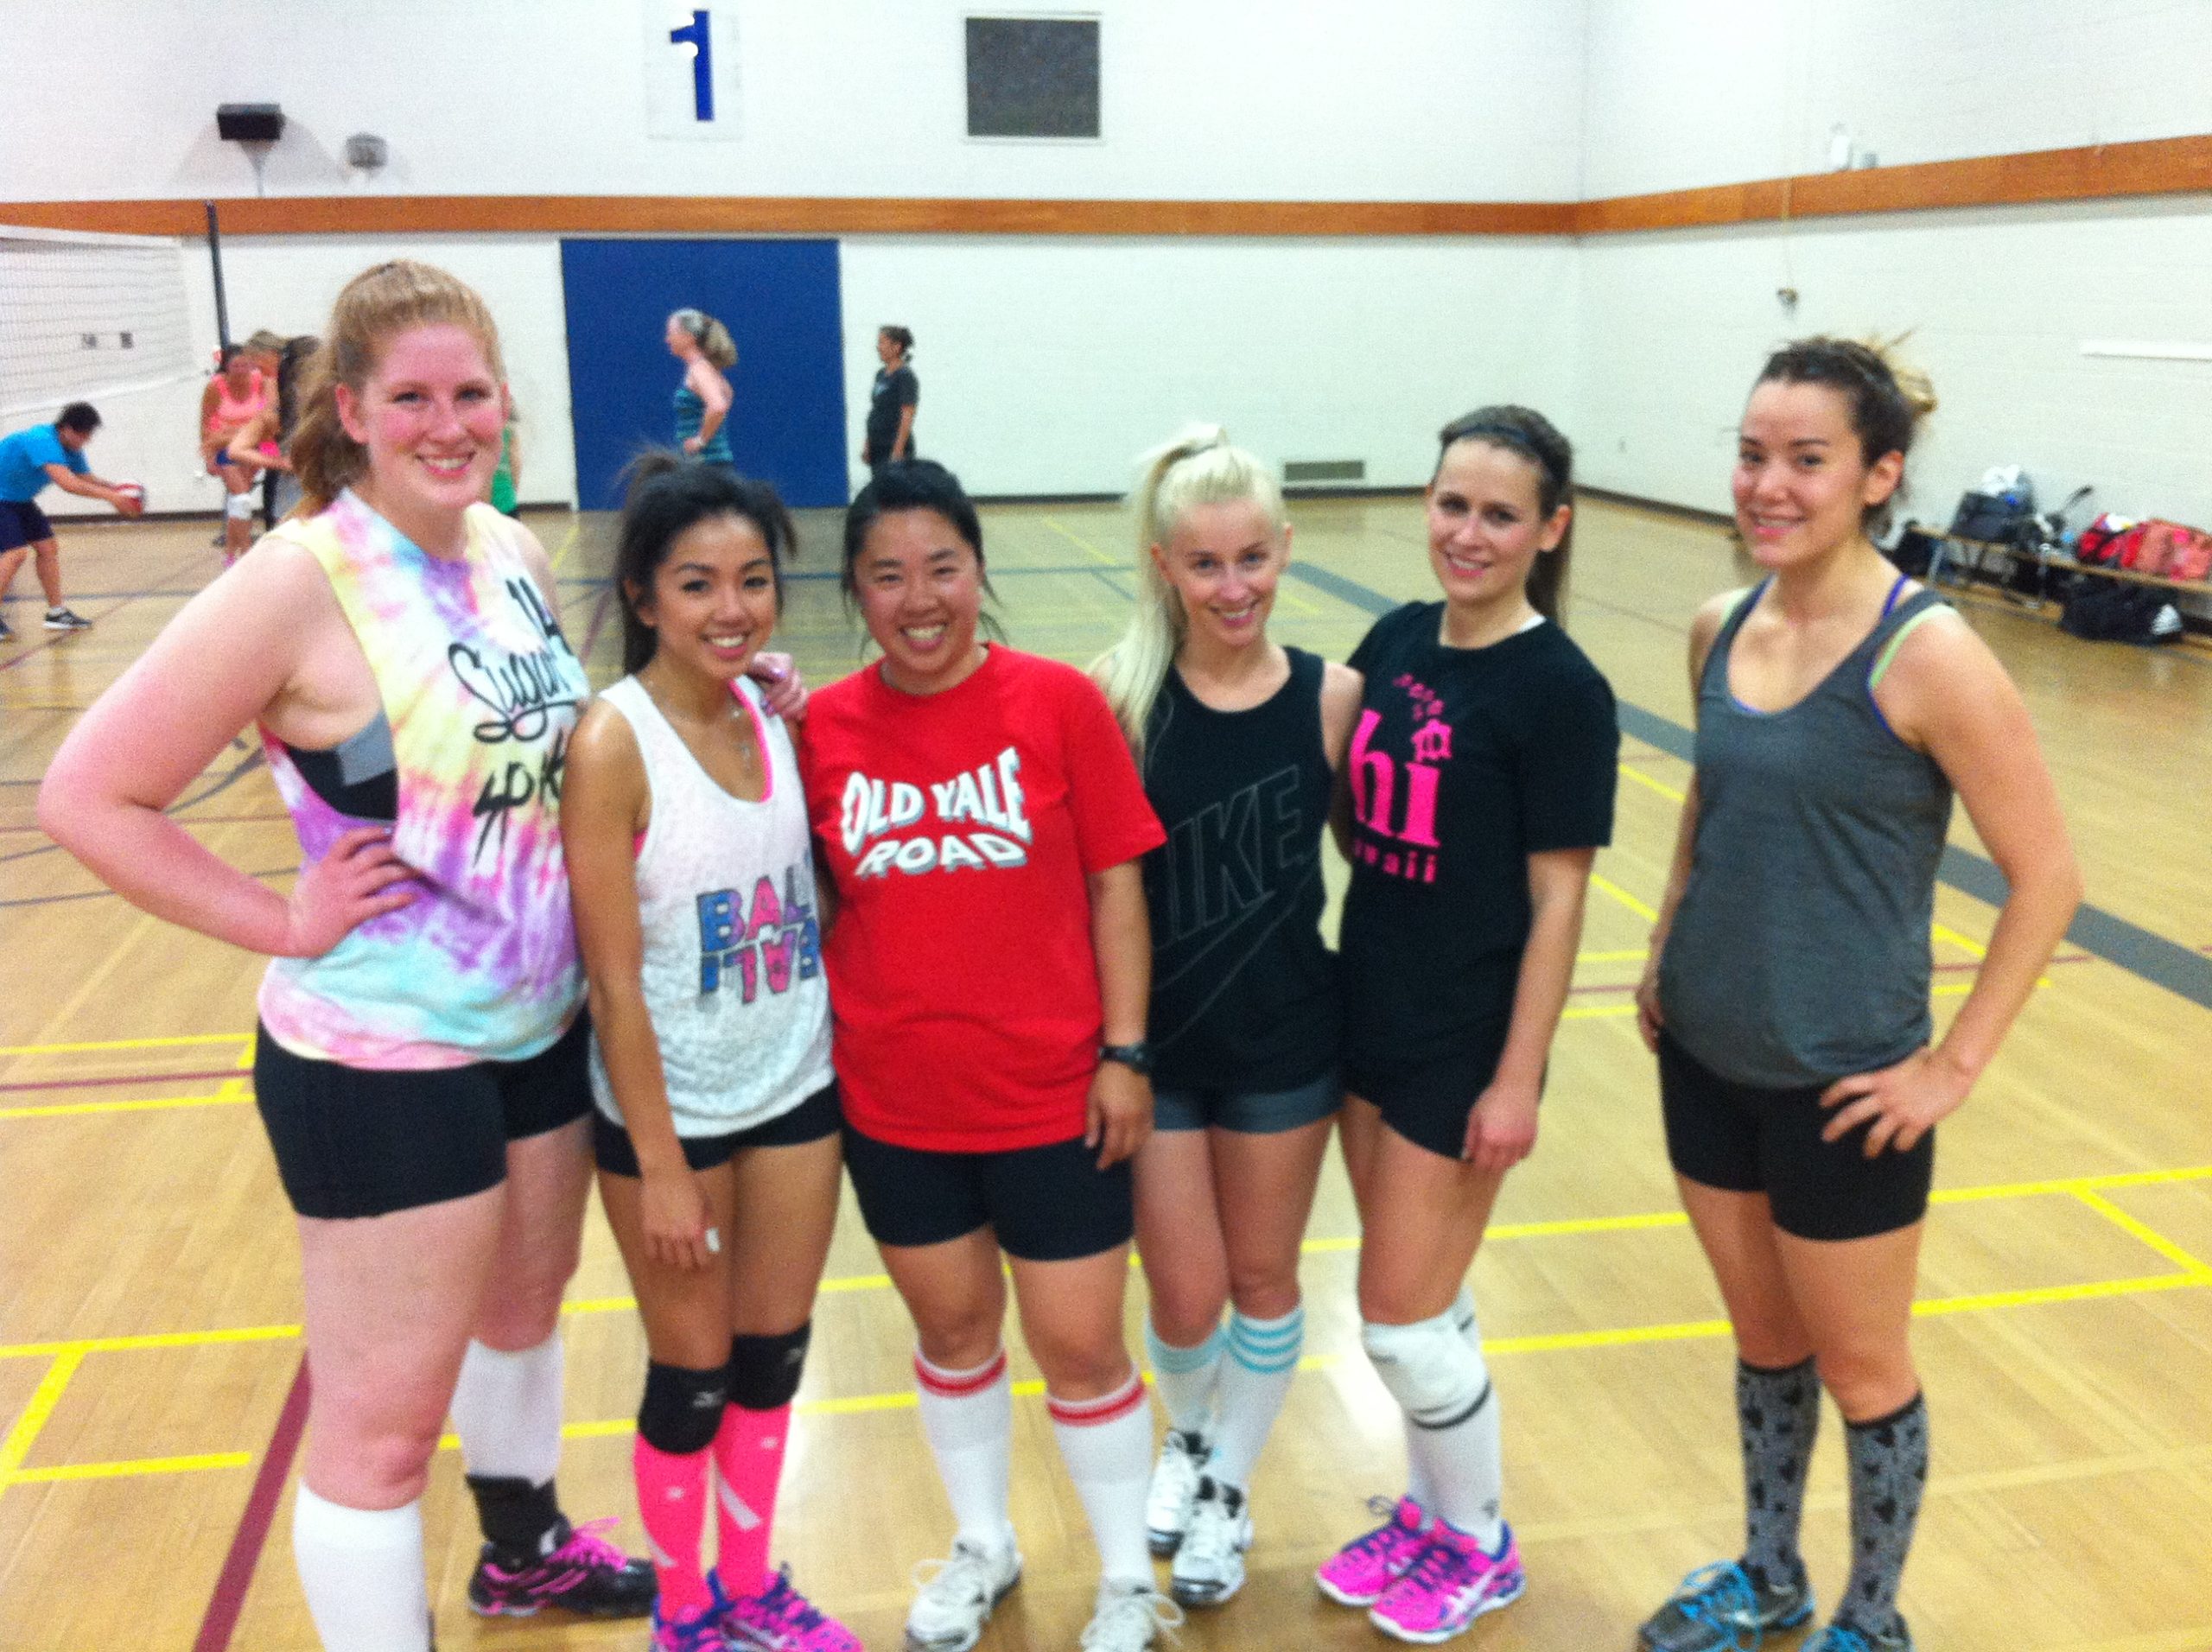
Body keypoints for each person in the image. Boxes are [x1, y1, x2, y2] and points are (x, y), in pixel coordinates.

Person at [37, 261, 663, 1652]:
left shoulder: (505, 550)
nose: (450, 424)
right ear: (356, 413)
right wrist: (283, 920)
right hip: (380, 1057)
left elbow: (547, 762)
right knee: (380, 1432)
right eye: (414, 399)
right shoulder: (297, 578)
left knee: (523, 1315)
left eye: (472, 394)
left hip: (534, 1029)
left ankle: (522, 1554)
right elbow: (86, 795)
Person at [1630, 340, 2080, 1652]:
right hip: (1704, 1054)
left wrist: (1950, 1068)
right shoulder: (1721, 625)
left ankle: (1871, 1621)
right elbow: (1712, 800)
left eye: (1805, 460)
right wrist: (1663, 945)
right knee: (1764, 1342)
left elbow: (2049, 878)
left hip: (1846, 1089)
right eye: (1751, 455)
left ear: (1879, 475)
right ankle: (1768, 1573)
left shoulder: (1929, 655)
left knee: (1863, 1369)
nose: (1766, 485)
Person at [801, 460, 1181, 1652]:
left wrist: (1125, 1052)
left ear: (979, 569)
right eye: (887, 576)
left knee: (1081, 1346)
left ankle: (1126, 1580)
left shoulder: (1059, 703)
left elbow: (1117, 887)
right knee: (955, 1339)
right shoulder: (820, 729)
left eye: (943, 568)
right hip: (895, 1103)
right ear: (854, 591)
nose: (920, 599)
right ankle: (983, 1543)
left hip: (1055, 1098)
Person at [1314, 406, 1618, 1644]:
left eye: (1500, 514)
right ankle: (1432, 1517)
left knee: (1394, 1316)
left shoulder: (1561, 690)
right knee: (1425, 1305)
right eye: (1453, 504)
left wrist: (1517, 1078)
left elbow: (1559, 901)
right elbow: (1352, 809)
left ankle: (1482, 1543)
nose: (1469, 533)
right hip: (1368, 1009)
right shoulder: (1394, 638)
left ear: (1549, 529)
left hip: (1465, 1040)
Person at [562, 454, 858, 1652]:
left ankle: (750, 1586)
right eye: (697, 585)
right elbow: (613, 984)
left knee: (771, 1360)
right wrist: (662, 1165)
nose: (731, 609)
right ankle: (683, 1611)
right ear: (643, 596)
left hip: (794, 1086)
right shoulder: (611, 743)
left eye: (753, 580)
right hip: (672, 1118)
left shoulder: (769, 713)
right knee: (692, 1374)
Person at [1090, 426, 1360, 1610]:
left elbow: (1376, 859)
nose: (1234, 586)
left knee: (1262, 1277)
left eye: (1252, 558)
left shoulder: (1332, 698)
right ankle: (1188, 1437)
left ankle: (1224, 1485)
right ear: (1164, 566)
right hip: (1157, 1052)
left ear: (1284, 549)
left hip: (1286, 1044)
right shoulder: (1118, 698)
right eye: (1205, 564)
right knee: (1184, 1292)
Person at [0, 401, 140, 638]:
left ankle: (57, 614)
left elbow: (84, 477)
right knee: (15, 553)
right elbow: (68, 484)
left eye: (89, 435)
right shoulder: (41, 440)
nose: (86, 440)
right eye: (83, 434)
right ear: (65, 428)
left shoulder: (71, 448)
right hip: (3, 499)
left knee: (48, 548)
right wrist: (112, 498)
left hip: (17, 499)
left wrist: (117, 490)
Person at [200, 345, 275, 560]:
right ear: (226, 367)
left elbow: (267, 420)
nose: (242, 370)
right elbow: (205, 422)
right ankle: (247, 554)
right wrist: (209, 456)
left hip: (251, 446)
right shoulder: (216, 387)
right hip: (224, 447)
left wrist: (268, 449)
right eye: (236, 366)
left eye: (245, 365)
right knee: (241, 499)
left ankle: (230, 556)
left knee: (238, 502)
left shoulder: (260, 382)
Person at [667, 308, 736, 468]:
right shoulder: (707, 368)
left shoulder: (700, 369)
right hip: (710, 464)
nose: (667, 339)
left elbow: (718, 406)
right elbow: (728, 395)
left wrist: (700, 440)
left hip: (706, 466)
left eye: (671, 333)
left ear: (689, 337)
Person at [861, 326, 918, 476]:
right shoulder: (880, 375)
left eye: (882, 342)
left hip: (892, 445)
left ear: (897, 347)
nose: (878, 347)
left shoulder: (905, 376)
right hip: (877, 445)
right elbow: (876, 410)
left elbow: (907, 414)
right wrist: (868, 443)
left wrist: (898, 450)